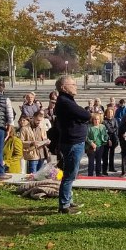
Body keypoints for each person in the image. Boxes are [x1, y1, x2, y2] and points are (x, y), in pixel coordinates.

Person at [54, 76, 89, 214]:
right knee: (69, 174)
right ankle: (64, 205)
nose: (76, 86)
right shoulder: (64, 102)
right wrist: (83, 119)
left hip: (75, 141)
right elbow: (85, 115)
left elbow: (80, 116)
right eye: (73, 84)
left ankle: (68, 200)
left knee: (71, 174)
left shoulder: (68, 100)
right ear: (63, 87)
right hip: (72, 142)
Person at [86, 112, 109, 176]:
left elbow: (105, 135)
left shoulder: (102, 126)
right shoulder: (89, 127)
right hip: (91, 147)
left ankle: (98, 174)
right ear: (92, 120)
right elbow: (86, 137)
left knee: (99, 161)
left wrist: (107, 140)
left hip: (100, 146)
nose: (96, 121)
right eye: (95, 119)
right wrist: (91, 143)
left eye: (98, 119)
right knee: (91, 162)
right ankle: (90, 175)